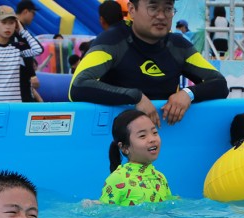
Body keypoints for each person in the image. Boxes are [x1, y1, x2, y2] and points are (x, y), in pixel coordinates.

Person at [69, 0, 228, 126]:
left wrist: (188, 94)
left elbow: (220, 84)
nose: (161, 16)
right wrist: (135, 97)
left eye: (168, 8)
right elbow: (77, 87)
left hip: (165, 134)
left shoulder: (179, 45)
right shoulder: (112, 41)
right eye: (153, 7)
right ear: (132, 9)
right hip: (118, 139)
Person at [100, 109, 172, 205]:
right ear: (125, 148)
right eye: (142, 136)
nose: (152, 139)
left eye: (154, 132)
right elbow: (106, 213)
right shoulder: (117, 179)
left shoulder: (160, 177)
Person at [0, 5, 43, 103]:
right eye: (3, 22)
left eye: (12, 23)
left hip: (17, 106)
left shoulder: (19, 48)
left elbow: (38, 50)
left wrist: (22, 31)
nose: (7, 26)